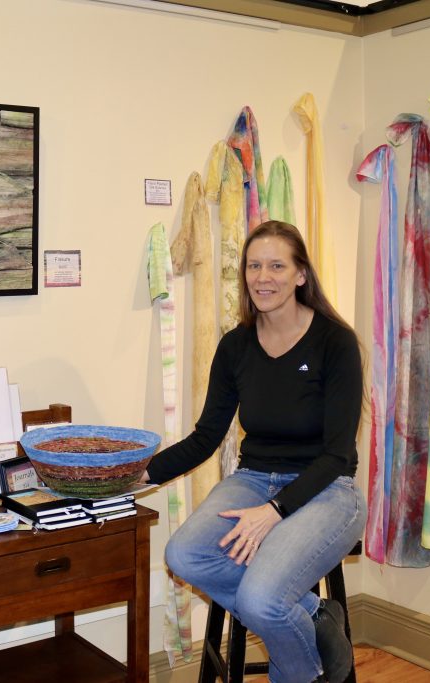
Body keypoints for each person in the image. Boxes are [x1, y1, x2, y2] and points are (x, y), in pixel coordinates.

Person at [144, 220, 367, 683]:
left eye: (277, 266)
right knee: (183, 555)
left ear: (301, 274)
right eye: (253, 266)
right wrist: (137, 475)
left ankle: (293, 645)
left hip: (328, 489)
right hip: (254, 478)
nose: (262, 277)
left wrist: (275, 510)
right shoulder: (236, 346)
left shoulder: (335, 342)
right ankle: (315, 619)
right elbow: (206, 437)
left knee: (262, 600)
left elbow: (337, 454)